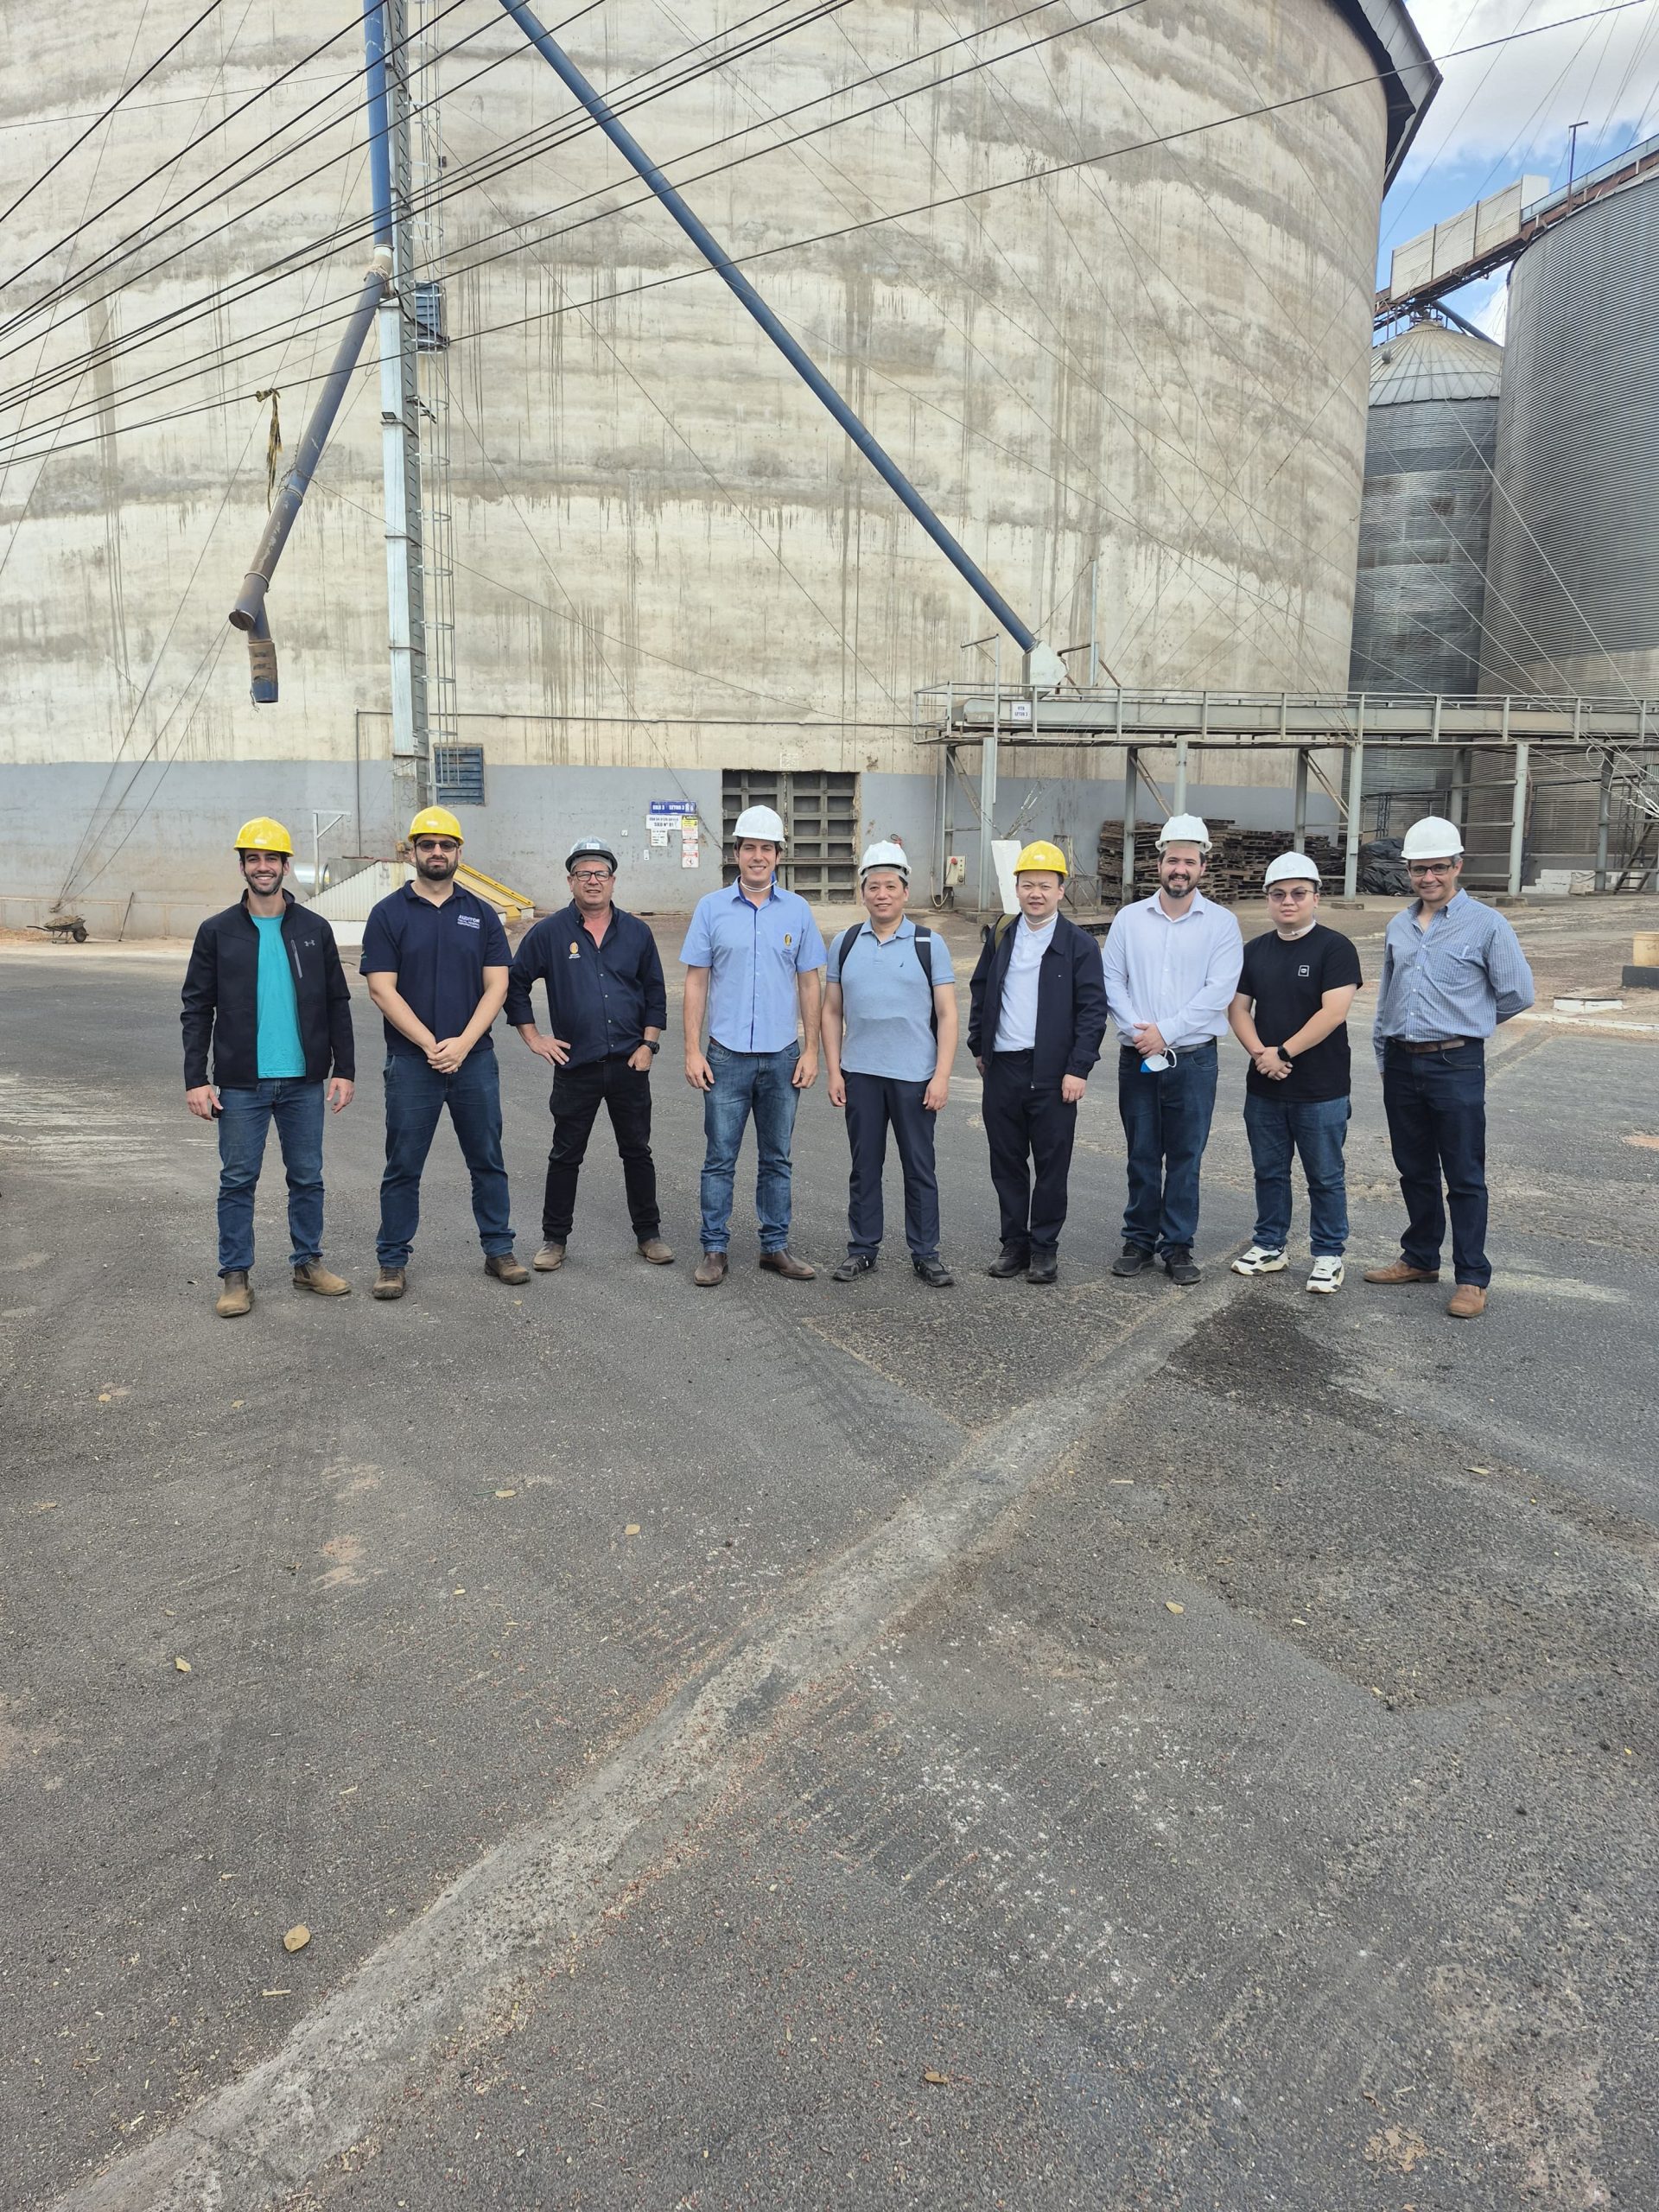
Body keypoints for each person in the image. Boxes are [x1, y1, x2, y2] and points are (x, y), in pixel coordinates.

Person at [181, 816, 355, 1319]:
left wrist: (344, 1068)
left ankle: (308, 1264)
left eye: (271, 859)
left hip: (303, 1080)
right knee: (238, 1180)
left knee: (307, 1177)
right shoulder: (217, 932)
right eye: (253, 859)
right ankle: (235, 1276)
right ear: (242, 867)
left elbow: (337, 1002)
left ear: (285, 866)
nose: (263, 867)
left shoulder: (313, 929)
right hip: (241, 1083)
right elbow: (196, 1008)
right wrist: (196, 1078)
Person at [1365, 814, 1535, 1319]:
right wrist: (1384, 1056)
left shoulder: (1487, 924)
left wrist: (1470, 1023)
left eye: (1438, 867)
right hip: (1402, 1062)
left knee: (1464, 1174)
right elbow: (1387, 998)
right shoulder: (1399, 925)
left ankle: (1472, 1278)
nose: (1429, 877)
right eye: (1419, 869)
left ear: (1458, 865)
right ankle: (1420, 1258)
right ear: (1408, 871)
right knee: (1413, 1169)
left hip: (1456, 1062)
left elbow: (1517, 993)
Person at [359, 806, 529, 1300]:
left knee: (488, 1160)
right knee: (403, 1166)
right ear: (412, 851)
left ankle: (499, 1250)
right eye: (428, 845)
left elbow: (497, 986)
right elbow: (381, 988)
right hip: (413, 1062)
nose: (437, 852)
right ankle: (392, 1261)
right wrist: (431, 1044)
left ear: (459, 852)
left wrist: (464, 1043)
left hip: (473, 1060)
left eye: (446, 845)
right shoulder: (388, 914)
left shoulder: (481, 913)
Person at [505, 838, 672, 1271]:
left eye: (600, 873)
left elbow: (655, 992)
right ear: (571, 881)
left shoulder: (636, 932)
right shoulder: (549, 933)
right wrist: (534, 1038)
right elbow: (514, 983)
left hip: (630, 1064)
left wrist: (649, 1045)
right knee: (565, 1155)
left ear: (613, 881)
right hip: (575, 1066)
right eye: (584, 874)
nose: (593, 881)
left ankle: (649, 1235)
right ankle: (554, 1240)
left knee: (637, 1152)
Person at [680, 804, 827, 1285]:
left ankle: (774, 1247)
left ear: (779, 855)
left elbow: (810, 983)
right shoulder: (711, 908)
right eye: (749, 848)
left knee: (777, 1158)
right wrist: (692, 1050)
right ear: (737, 853)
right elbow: (696, 981)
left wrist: (811, 1051)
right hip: (725, 1056)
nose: (758, 856)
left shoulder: (798, 911)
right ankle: (714, 1249)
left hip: (782, 1054)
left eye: (766, 848)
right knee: (719, 1158)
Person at [1101, 813, 1243, 1286]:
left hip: (1194, 1060)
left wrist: (1165, 1032)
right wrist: (1140, 1033)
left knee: (1186, 1155)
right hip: (1138, 1057)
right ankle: (1139, 1241)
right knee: (1141, 1153)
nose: (1180, 869)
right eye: (1172, 860)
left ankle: (1178, 1245)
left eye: (1189, 861)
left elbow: (1218, 991)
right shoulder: (1129, 920)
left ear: (1203, 866)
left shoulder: (1221, 924)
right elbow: (1111, 981)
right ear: (1158, 862)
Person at [966, 841, 1108, 1285]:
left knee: (1051, 1166)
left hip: (1053, 1074)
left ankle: (1044, 1248)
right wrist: (979, 1046)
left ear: (1061, 890)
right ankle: (1015, 1244)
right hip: (1003, 1069)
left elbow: (1093, 1011)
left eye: (1045, 886)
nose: (1036, 894)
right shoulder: (1002, 935)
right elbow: (981, 990)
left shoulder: (1079, 945)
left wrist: (1078, 1068)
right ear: (1017, 888)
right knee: (1006, 1162)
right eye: (1028, 885)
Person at [821, 842, 958, 1289]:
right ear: (863, 892)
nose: (882, 894)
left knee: (919, 1167)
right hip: (861, 1074)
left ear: (905, 891)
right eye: (874, 886)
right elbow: (831, 1011)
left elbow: (948, 1014)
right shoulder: (845, 943)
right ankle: (863, 1249)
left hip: (915, 1077)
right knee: (865, 1167)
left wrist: (941, 1076)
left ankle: (926, 1253)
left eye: (890, 886)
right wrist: (835, 1070)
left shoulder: (928, 943)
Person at [1226, 853, 1362, 1294]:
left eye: (1298, 893)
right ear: (1268, 899)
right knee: (1269, 1172)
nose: (1288, 901)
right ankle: (1270, 1245)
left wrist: (1282, 1052)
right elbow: (1238, 1008)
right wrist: (1260, 1054)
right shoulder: (1255, 951)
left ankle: (1328, 1254)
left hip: (1321, 1089)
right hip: (1265, 1086)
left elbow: (1334, 1011)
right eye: (1278, 894)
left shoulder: (1335, 948)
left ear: (1315, 897)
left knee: (1325, 1176)